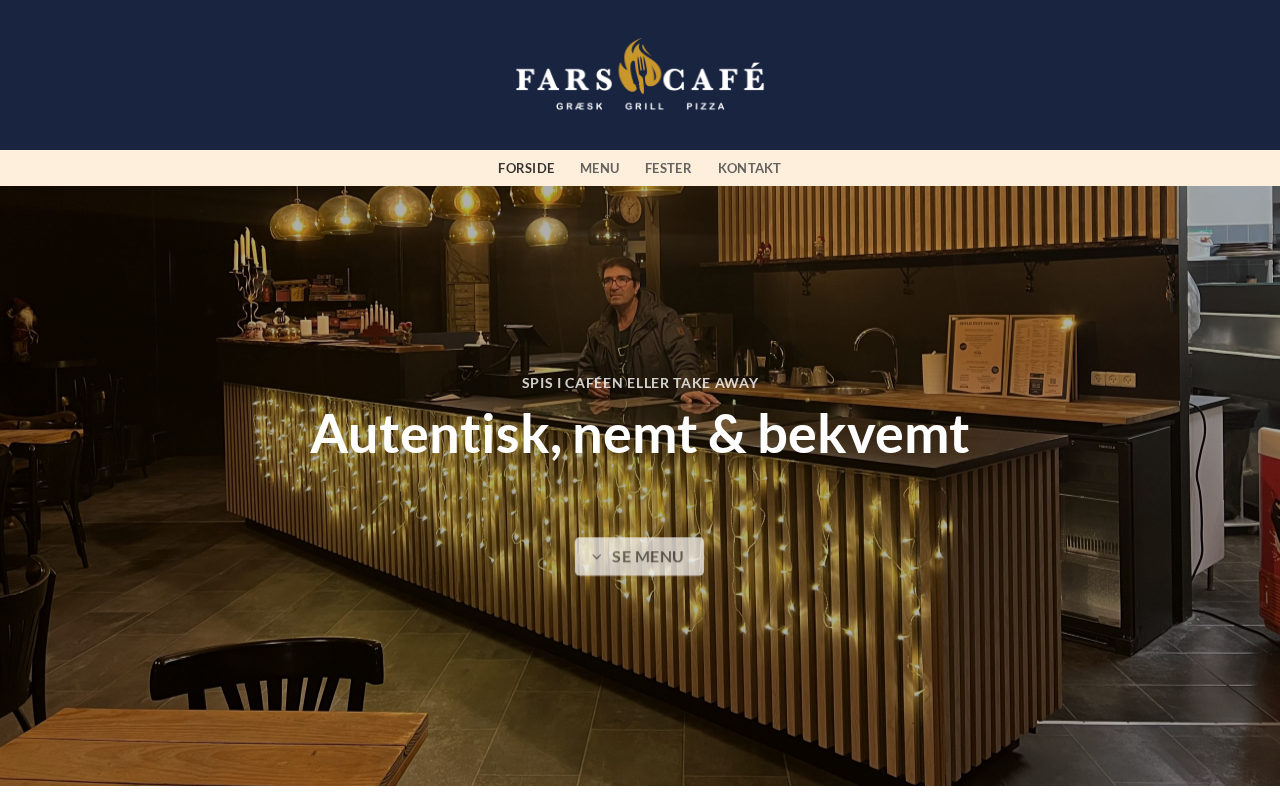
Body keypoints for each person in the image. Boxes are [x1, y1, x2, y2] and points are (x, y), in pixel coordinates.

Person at [577, 257, 718, 405]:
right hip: (615, 415)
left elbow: (685, 359)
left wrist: (688, 388)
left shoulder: (663, 319)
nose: (614, 286)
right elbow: (584, 372)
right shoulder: (597, 331)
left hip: (660, 413)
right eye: (608, 281)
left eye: (622, 279)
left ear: (636, 286)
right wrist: (588, 384)